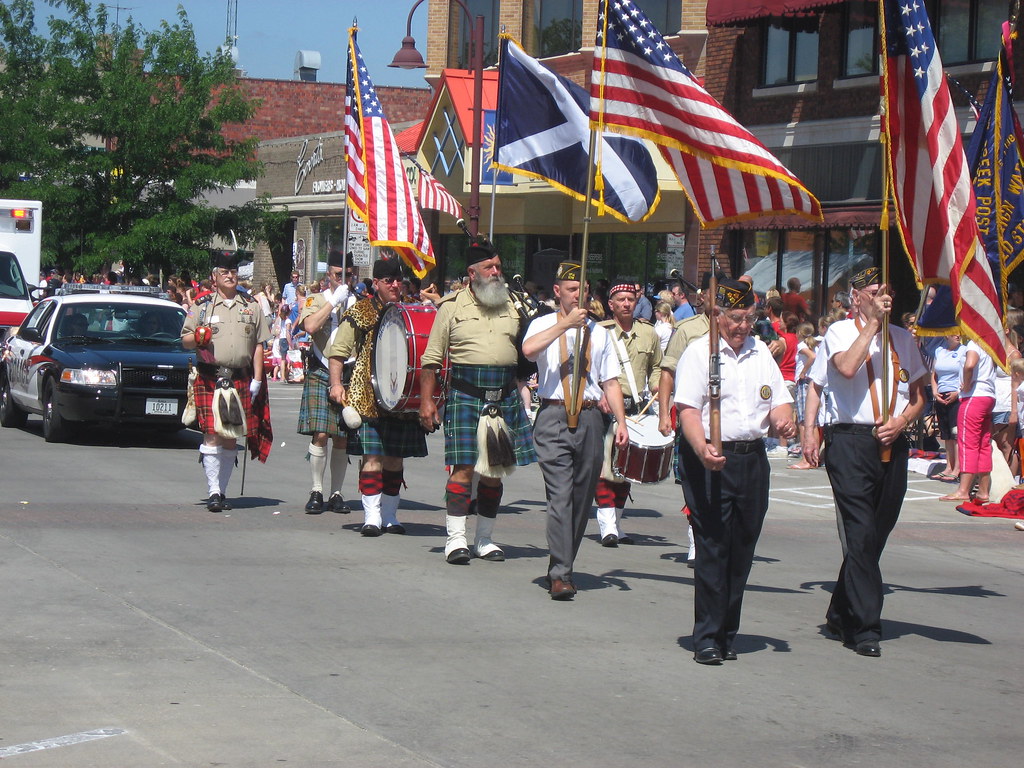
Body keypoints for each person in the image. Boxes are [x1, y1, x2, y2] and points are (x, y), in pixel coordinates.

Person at [802, 266, 927, 658]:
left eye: (884, 292)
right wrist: (810, 430)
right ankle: (866, 627)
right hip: (851, 442)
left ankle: (840, 610)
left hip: (892, 440)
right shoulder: (840, 332)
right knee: (859, 531)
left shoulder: (903, 339)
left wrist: (902, 420)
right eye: (873, 292)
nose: (881, 298)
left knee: (876, 534)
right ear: (856, 297)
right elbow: (845, 368)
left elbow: (921, 394)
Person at [674, 279, 795, 664]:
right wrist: (701, 448)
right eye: (736, 318)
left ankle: (728, 630)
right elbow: (688, 410)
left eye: (749, 318)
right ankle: (707, 636)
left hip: (752, 459)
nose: (743, 326)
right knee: (712, 545)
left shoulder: (761, 353)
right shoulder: (699, 353)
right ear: (717, 316)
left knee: (743, 547)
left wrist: (784, 421)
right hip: (710, 458)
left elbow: (779, 402)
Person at [419, 240, 537, 564]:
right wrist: (427, 403)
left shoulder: (513, 305)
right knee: (463, 470)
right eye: (490, 268)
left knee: (493, 473)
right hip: (466, 396)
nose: (497, 272)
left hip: (504, 397)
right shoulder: (451, 306)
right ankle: (455, 540)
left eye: (498, 266)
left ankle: (484, 539)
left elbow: (530, 350)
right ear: (472, 273)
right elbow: (431, 359)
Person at [522, 261, 628, 600]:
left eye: (581, 290)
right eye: (570, 289)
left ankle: (562, 561)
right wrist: (565, 324)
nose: (577, 295)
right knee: (560, 497)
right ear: (557, 292)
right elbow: (528, 351)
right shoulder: (541, 323)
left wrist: (622, 422)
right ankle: (561, 574)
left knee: (582, 498)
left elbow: (609, 380)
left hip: (590, 418)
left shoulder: (599, 332)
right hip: (553, 415)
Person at [327, 257, 427, 536]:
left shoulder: (409, 310)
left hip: (402, 395)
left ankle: (390, 515)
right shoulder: (360, 311)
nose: (395, 285)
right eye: (388, 281)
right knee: (373, 456)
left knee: (395, 458)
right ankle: (371, 516)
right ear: (377, 284)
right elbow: (338, 352)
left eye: (398, 280)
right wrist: (336, 384)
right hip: (367, 393)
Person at [181, 251, 274, 512]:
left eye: (233, 272)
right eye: (225, 272)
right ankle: (212, 491)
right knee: (211, 433)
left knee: (231, 436)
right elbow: (184, 340)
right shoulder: (201, 307)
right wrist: (198, 337)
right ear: (214, 277)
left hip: (240, 378)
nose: (230, 276)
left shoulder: (251, 306)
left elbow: (258, 344)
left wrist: (257, 379)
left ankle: (222, 491)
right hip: (211, 376)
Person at [593, 281, 662, 546]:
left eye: (630, 300)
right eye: (620, 300)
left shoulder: (649, 333)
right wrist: (599, 393)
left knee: (626, 469)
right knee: (604, 469)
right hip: (606, 406)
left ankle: (616, 525)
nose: (626, 304)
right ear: (610, 305)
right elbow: (586, 369)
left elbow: (657, 365)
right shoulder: (600, 332)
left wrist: (657, 385)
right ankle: (607, 526)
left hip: (636, 408)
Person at [297, 249, 353, 515]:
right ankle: (316, 490)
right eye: (339, 275)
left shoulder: (358, 302)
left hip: (349, 372)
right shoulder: (315, 299)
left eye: (349, 275)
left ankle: (337, 493)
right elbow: (309, 327)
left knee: (342, 437)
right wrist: (333, 303)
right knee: (321, 434)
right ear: (328, 275)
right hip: (320, 368)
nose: (344, 280)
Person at [939, 339, 996, 503]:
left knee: (967, 444)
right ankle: (983, 491)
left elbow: (970, 364)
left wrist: (966, 383)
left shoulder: (974, 344)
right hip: (988, 395)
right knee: (983, 445)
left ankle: (963, 490)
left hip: (974, 396)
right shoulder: (988, 343)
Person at [930, 334, 965, 482]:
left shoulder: (964, 350)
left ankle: (957, 468)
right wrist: (934, 392)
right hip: (941, 395)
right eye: (953, 332)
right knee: (946, 434)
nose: (957, 335)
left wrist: (958, 392)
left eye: (958, 332)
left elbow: (967, 374)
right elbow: (934, 374)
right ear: (946, 335)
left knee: (956, 434)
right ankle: (949, 466)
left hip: (956, 395)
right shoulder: (940, 351)